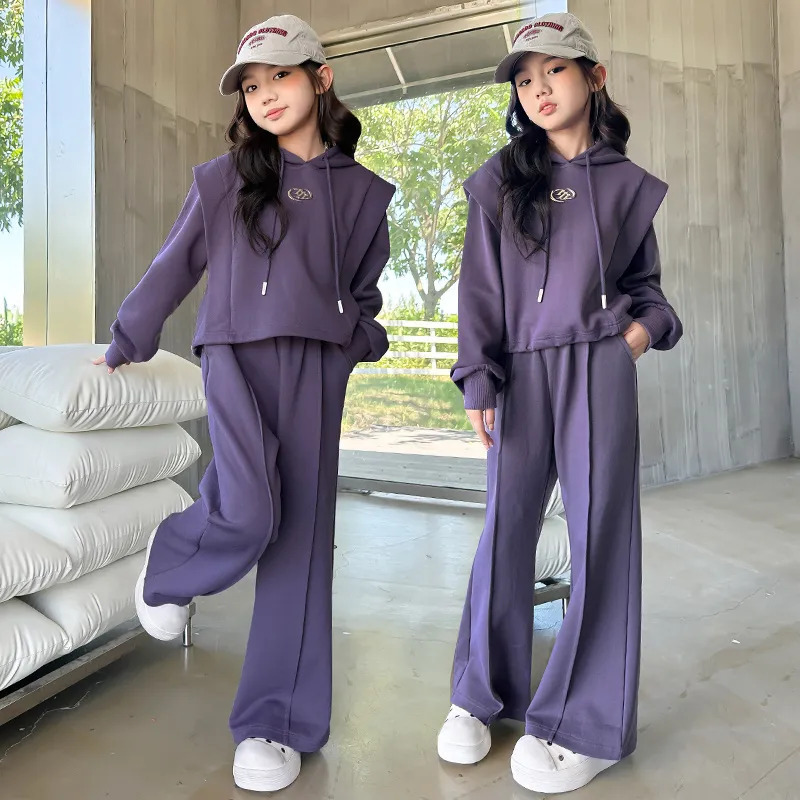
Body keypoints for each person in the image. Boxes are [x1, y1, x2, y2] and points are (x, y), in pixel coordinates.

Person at [94, 15, 395, 793]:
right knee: (251, 510)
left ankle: (276, 721)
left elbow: (366, 296)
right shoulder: (222, 179)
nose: (265, 95)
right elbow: (174, 264)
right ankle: (173, 561)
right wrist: (127, 338)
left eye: (281, 76)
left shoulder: (365, 195)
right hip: (234, 354)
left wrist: (356, 340)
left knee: (302, 543)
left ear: (321, 78)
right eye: (252, 86)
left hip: (319, 366)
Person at [436, 12, 682, 794]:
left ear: (593, 77)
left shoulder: (628, 187)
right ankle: (480, 694)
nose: (538, 88)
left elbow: (651, 293)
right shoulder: (501, 180)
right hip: (520, 372)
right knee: (504, 532)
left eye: (555, 70)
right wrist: (479, 376)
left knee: (601, 538)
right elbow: (480, 289)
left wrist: (634, 338)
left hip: (597, 369)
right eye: (524, 78)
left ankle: (589, 724)